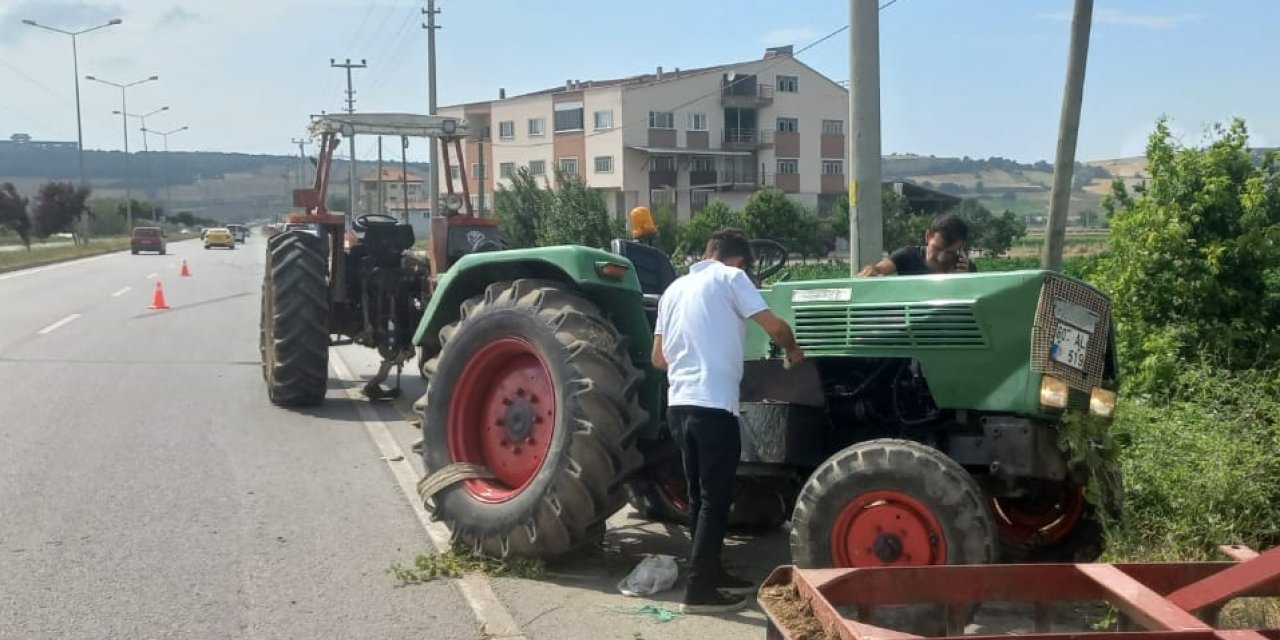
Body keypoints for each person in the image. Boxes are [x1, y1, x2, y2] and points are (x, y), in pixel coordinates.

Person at [651, 227, 805, 614]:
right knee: (715, 501)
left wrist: (695, 361)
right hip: (713, 407)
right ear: (738, 260)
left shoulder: (673, 290)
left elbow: (658, 358)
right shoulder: (731, 278)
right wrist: (794, 350)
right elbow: (774, 327)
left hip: (679, 407)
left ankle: (710, 572)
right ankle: (699, 591)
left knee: (701, 498)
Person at [857, 213, 977, 276]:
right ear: (928, 236)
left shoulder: (965, 268)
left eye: (950, 253)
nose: (942, 258)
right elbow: (879, 269)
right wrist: (871, 271)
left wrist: (962, 281)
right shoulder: (908, 256)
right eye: (937, 249)